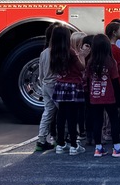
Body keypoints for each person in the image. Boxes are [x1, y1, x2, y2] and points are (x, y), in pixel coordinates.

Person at [85, 34, 120, 158]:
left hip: (94, 96)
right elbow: (115, 81)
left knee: (97, 122)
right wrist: (119, 98)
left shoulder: (90, 62)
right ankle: (116, 147)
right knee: (114, 120)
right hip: (109, 96)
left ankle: (98, 148)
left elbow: (88, 80)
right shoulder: (110, 61)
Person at [49, 27, 86, 155]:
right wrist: (82, 56)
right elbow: (81, 68)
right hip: (73, 86)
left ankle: (60, 143)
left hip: (61, 85)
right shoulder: (70, 52)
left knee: (61, 115)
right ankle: (74, 145)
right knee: (72, 116)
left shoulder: (53, 51)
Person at [34, 23, 59, 152]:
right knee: (63, 112)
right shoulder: (59, 52)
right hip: (56, 85)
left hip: (45, 84)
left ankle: (41, 140)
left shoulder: (44, 52)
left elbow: (41, 73)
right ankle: (60, 139)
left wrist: (43, 81)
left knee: (48, 112)